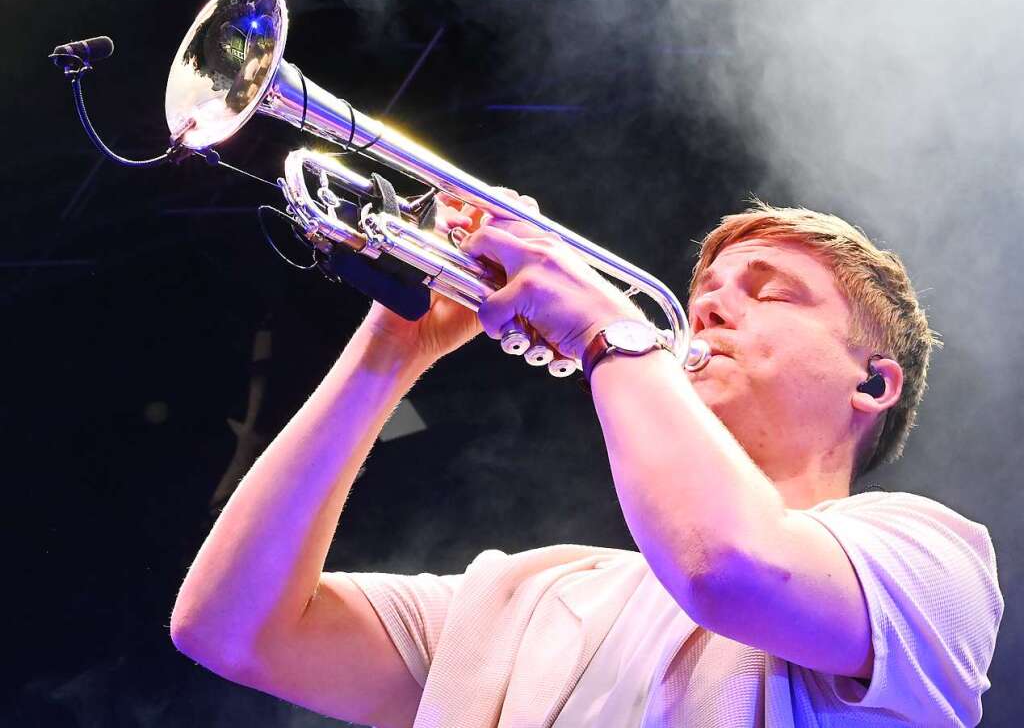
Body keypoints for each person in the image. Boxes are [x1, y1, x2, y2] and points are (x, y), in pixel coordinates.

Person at [169, 193, 1003, 727]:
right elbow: (231, 628)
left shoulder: (929, 561)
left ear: (873, 381)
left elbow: (727, 565)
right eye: (708, 284)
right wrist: (393, 349)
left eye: (771, 290)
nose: (709, 300)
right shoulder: (530, 596)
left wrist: (610, 328)